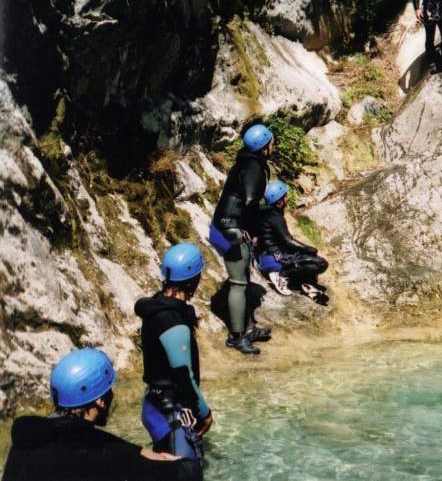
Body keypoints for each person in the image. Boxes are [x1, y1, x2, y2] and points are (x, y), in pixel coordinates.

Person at [2, 348, 201, 481]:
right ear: (100, 401)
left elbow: (100, 441)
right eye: (109, 391)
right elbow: (187, 473)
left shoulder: (27, 440)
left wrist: (145, 454)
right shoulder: (99, 457)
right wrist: (181, 462)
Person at [135, 243, 213, 460]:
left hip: (153, 404)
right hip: (170, 411)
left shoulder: (156, 306)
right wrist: (205, 413)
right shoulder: (173, 321)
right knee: (185, 469)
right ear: (192, 281)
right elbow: (184, 376)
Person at [208, 122, 274, 355]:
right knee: (238, 283)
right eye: (271, 142)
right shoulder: (254, 168)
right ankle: (236, 337)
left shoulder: (246, 162)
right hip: (230, 230)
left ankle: (248, 328)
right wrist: (253, 231)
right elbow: (250, 202)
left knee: (242, 277)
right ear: (264, 146)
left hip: (227, 225)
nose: (273, 145)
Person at [256, 180, 329, 304]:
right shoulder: (275, 217)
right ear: (279, 202)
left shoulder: (268, 211)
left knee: (307, 258)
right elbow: (289, 241)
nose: (288, 198)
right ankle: (282, 275)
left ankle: (302, 281)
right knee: (321, 263)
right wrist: (311, 250)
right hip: (272, 260)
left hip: (266, 256)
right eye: (285, 196)